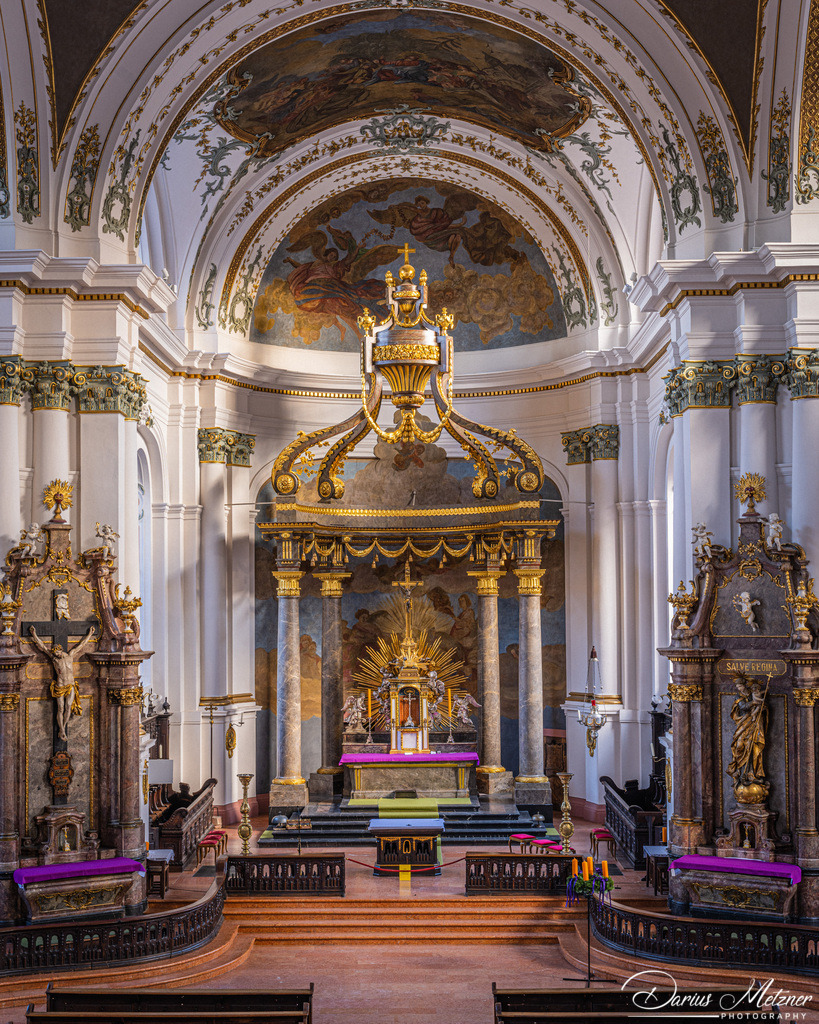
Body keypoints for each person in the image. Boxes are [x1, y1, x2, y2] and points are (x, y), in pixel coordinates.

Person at [29, 625, 96, 740]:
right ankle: (62, 730)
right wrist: (34, 634)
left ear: (61, 650)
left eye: (58, 653)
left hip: (70, 685)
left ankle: (63, 728)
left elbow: (82, 645)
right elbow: (43, 647)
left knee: (68, 706)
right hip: (60, 686)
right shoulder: (54, 659)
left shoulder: (70, 655)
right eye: (55, 654)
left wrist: (90, 634)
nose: (57, 655)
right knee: (60, 708)